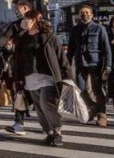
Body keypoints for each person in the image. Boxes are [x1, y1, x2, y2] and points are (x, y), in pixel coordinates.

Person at [15, 10, 74, 147]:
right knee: (39, 107)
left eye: (26, 19)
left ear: (34, 20)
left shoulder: (48, 36)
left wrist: (68, 77)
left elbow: (61, 58)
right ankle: (49, 133)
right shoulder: (23, 38)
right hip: (30, 78)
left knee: (46, 103)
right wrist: (18, 79)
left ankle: (57, 131)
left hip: (48, 76)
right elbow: (18, 61)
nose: (24, 22)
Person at [68, 5, 112, 127]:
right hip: (80, 63)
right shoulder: (75, 30)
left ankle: (101, 115)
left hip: (95, 63)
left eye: (87, 12)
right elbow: (70, 49)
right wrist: (65, 65)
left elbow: (107, 49)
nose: (84, 15)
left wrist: (108, 65)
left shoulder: (99, 29)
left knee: (97, 90)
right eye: (82, 13)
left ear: (92, 14)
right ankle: (93, 107)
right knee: (81, 90)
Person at [0, 0, 32, 135]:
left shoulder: (39, 22)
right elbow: (5, 37)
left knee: (40, 96)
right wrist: (0, 44)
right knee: (19, 93)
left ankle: (52, 127)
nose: (15, 11)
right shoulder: (15, 25)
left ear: (25, 7)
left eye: (16, 8)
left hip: (37, 65)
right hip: (20, 65)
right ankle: (19, 123)